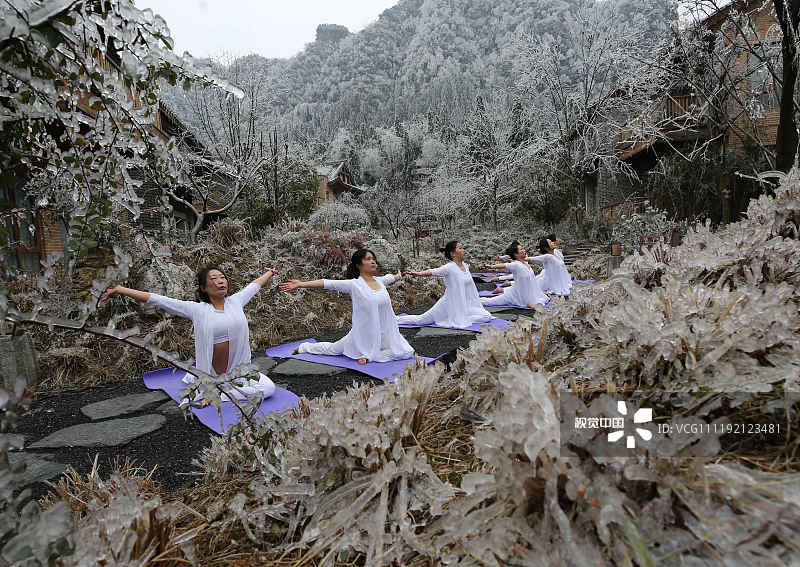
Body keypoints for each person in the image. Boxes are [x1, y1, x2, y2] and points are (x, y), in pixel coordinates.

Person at [102, 266, 278, 403]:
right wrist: (120, 289)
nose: (220, 281)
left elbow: (254, 285)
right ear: (203, 287)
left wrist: (270, 273)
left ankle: (220, 396)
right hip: (211, 374)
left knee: (269, 388)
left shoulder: (236, 302)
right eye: (214, 279)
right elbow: (158, 300)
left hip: (238, 373)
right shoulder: (197, 309)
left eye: (223, 277)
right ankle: (215, 389)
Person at [279, 249, 413, 364]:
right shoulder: (354, 285)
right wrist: (301, 284)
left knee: (403, 351)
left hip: (382, 332)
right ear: (359, 265)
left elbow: (392, 277)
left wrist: (398, 276)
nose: (373, 262)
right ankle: (304, 347)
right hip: (360, 335)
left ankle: (369, 354)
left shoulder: (380, 281)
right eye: (368, 259)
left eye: (374, 259)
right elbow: (327, 283)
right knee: (332, 350)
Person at [399, 240, 492, 328]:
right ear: (453, 254)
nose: (464, 250)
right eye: (460, 248)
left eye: (463, 248)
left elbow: (465, 274)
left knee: (486, 316)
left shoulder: (465, 265)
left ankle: (458, 317)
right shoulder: (449, 268)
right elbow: (433, 271)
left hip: (464, 306)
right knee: (421, 320)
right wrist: (418, 273)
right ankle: (395, 320)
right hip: (447, 304)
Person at [480, 241, 549, 308]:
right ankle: (473, 301)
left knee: (541, 300)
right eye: (521, 249)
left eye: (523, 248)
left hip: (524, 292)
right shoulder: (516, 264)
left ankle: (526, 301)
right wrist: (491, 266)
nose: (524, 250)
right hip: (514, 295)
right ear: (516, 254)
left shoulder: (525, 263)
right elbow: (504, 265)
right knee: (489, 301)